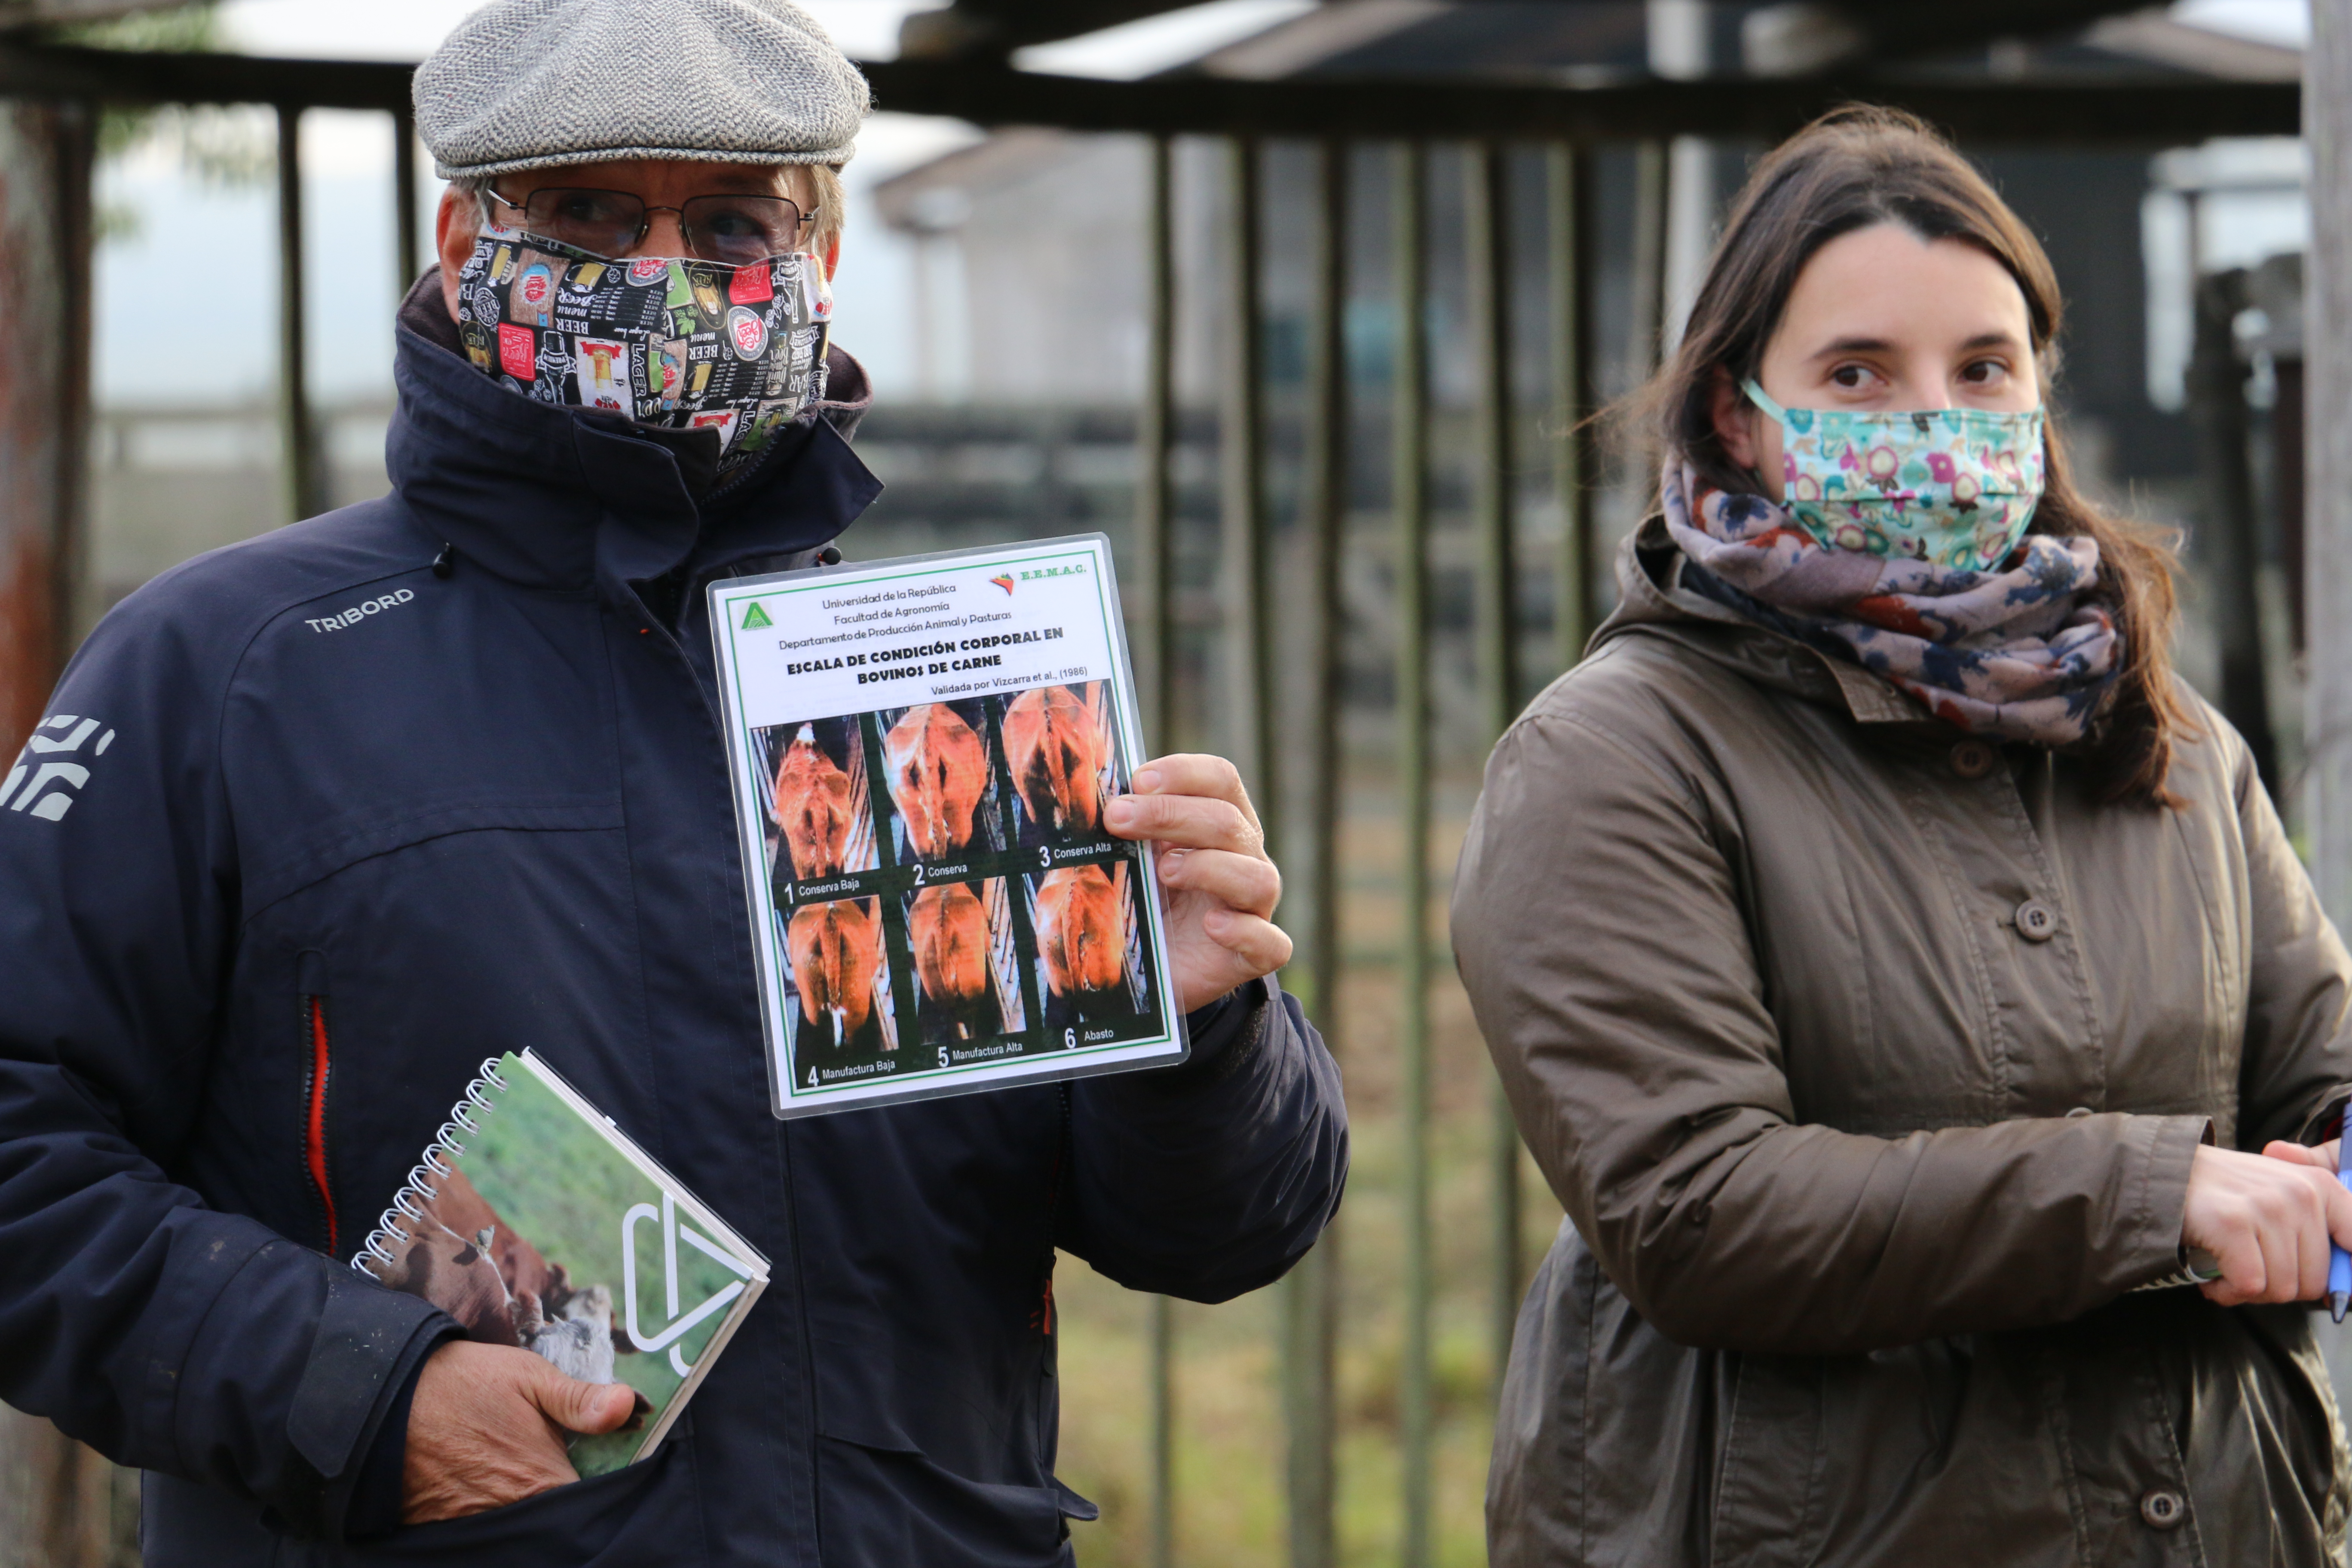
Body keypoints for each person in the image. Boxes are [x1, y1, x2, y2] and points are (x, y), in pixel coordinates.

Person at [0, 2, 1347, 1563]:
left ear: (820, 257)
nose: (661, 276)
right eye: (585, 212)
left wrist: (1188, 1036)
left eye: (728, 223)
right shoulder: (231, 668)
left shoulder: (946, 691)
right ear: (460, 231)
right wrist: (360, 1397)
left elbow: (1225, 1233)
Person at [1453, 106, 2352, 1566]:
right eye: (1859, 375)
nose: (1935, 424)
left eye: (1983, 371)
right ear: (1739, 411)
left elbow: (2317, 1072)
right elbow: (1699, 1210)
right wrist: (2157, 1196)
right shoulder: (1612, 760)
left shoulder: (2162, 729)